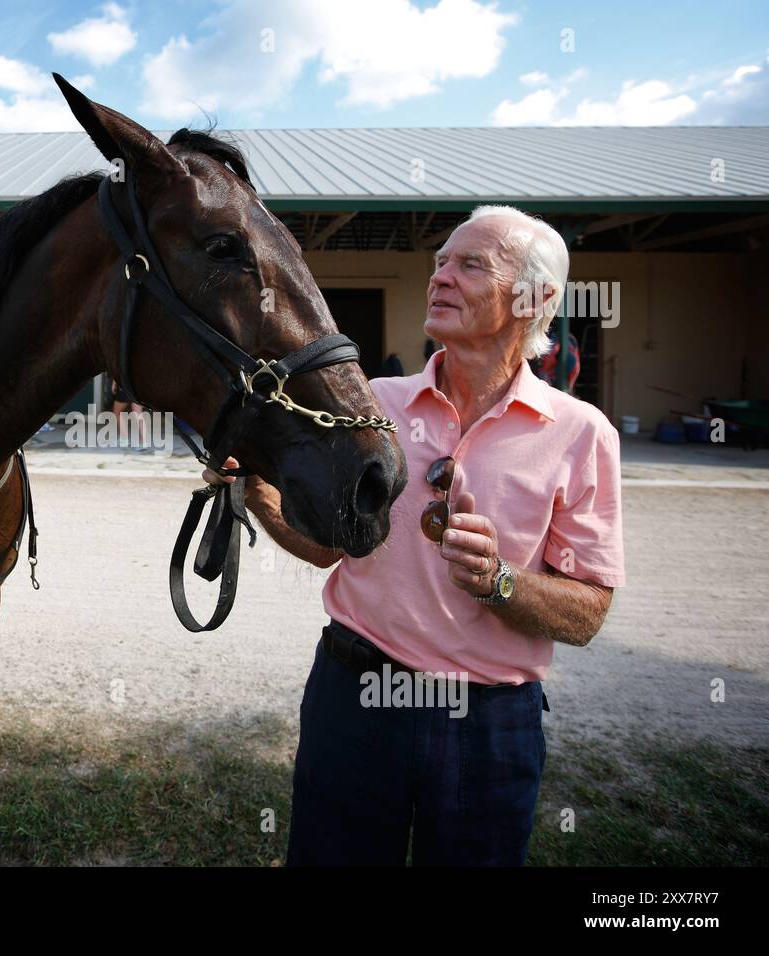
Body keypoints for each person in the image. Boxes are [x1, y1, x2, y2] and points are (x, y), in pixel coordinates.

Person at [212, 204, 625, 865]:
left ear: (535, 297)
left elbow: (587, 614)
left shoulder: (581, 435)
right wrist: (257, 496)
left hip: (490, 728)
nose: (440, 277)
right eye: (438, 263)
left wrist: (500, 583)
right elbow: (327, 547)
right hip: (355, 703)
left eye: (469, 264)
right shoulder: (373, 404)